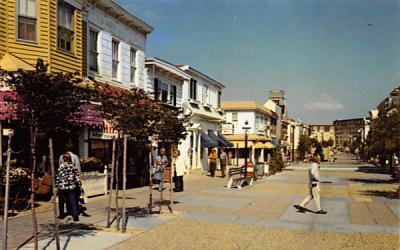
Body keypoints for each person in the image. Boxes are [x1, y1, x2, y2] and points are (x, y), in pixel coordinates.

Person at [56, 153, 81, 221]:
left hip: (62, 186)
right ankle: (75, 216)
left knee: (61, 201)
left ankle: (61, 215)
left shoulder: (61, 167)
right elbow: (77, 177)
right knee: (72, 200)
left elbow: (58, 177)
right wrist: (80, 185)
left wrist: (56, 186)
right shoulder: (73, 166)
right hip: (71, 186)